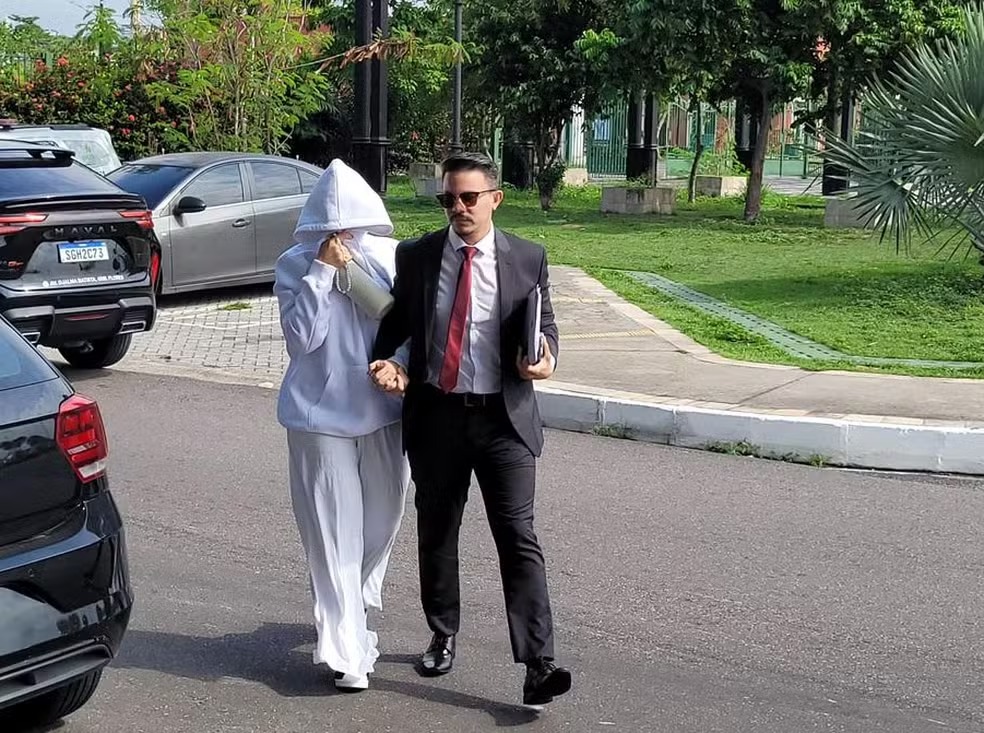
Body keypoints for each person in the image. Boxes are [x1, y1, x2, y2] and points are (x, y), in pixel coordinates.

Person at [369, 151, 571, 707]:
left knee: (518, 537)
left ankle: (538, 663)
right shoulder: (417, 257)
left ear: (495, 199)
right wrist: (394, 364)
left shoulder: (528, 257)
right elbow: (400, 327)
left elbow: (545, 326)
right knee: (438, 531)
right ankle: (442, 633)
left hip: (504, 419)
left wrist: (547, 358)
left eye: (468, 197)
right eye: (448, 198)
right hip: (438, 416)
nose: (458, 207)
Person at [274, 159, 410, 693]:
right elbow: (301, 340)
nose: (341, 232)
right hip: (317, 417)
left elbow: (409, 324)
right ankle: (347, 650)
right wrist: (322, 273)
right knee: (332, 535)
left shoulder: (390, 257)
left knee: (384, 518)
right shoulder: (295, 265)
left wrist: (399, 364)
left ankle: (350, 602)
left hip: (384, 411)